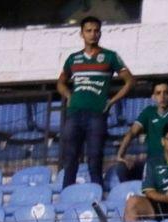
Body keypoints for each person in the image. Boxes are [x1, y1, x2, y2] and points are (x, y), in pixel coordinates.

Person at [57, 15, 133, 189]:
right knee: (70, 156)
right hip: (74, 113)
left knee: (95, 156)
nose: (93, 34)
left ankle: (97, 193)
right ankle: (67, 194)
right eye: (88, 31)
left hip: (97, 113)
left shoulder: (110, 56)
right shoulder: (73, 58)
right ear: (81, 34)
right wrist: (69, 96)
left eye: (96, 31)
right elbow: (60, 82)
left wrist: (112, 101)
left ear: (100, 33)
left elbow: (130, 81)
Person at [113, 80, 168, 181]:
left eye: (166, 93)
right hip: (152, 162)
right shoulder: (149, 112)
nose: (162, 97)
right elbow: (132, 132)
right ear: (153, 97)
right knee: (121, 168)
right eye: (158, 93)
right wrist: (120, 155)